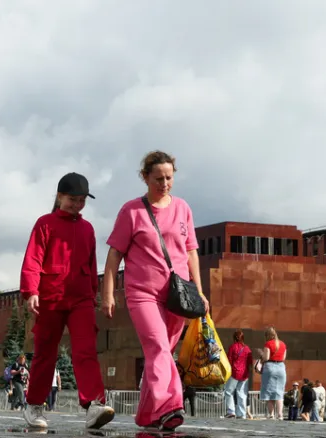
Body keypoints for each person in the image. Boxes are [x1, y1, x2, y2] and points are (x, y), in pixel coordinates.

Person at [101, 151, 209, 431]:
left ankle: (147, 415)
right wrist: (108, 293)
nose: (164, 184)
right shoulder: (131, 211)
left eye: (169, 178)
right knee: (158, 347)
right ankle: (169, 406)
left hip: (178, 295)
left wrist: (199, 290)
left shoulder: (183, 208)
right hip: (142, 293)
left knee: (160, 354)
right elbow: (114, 255)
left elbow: (191, 252)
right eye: (158, 178)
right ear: (145, 177)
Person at [19, 172, 115, 429]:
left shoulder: (87, 228)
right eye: (72, 199)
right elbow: (33, 259)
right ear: (60, 196)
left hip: (81, 299)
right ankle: (34, 405)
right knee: (45, 353)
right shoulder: (45, 224)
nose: (77, 205)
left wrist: (93, 294)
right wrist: (31, 291)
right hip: (50, 297)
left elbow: (91, 264)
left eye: (82, 200)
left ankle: (94, 404)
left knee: (86, 350)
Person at [259, 327, 287, 420]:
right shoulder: (283, 344)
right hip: (281, 368)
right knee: (279, 392)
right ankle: (280, 414)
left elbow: (266, 358)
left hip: (270, 367)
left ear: (267, 335)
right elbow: (283, 358)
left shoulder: (268, 344)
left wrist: (261, 355)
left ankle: (271, 414)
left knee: (269, 391)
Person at [224, 329, 252, 419]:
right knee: (242, 394)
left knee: (228, 392)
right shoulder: (247, 348)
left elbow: (229, 360)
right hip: (244, 374)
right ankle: (242, 414)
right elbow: (250, 362)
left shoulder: (232, 347)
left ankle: (231, 411)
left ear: (234, 338)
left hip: (234, 373)